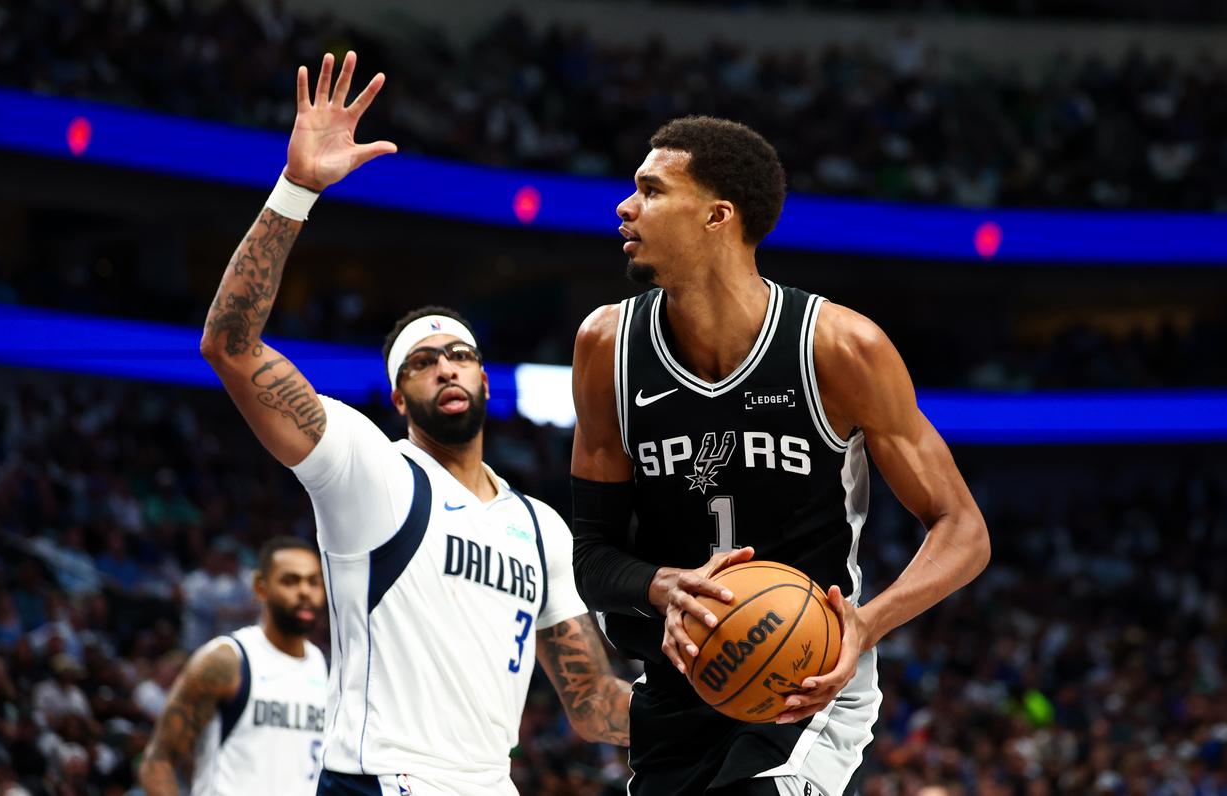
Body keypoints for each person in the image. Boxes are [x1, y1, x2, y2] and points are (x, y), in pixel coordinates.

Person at [196, 51, 630, 796]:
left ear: (484, 379)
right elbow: (230, 346)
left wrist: (720, 707)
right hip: (382, 779)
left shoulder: (542, 528)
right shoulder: (370, 467)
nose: (446, 369)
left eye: (460, 356)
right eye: (423, 363)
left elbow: (593, 705)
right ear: (399, 398)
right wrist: (297, 188)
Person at [569, 115, 991, 795]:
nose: (625, 206)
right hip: (679, 688)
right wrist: (662, 586)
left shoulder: (840, 348)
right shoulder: (606, 347)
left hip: (804, 678)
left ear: (717, 216)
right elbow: (592, 558)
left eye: (651, 190)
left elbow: (962, 528)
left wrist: (865, 624)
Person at [138, 537, 328, 795]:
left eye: (314, 582)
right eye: (290, 581)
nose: (305, 591)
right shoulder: (227, 660)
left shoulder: (327, 668)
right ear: (260, 587)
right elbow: (158, 761)